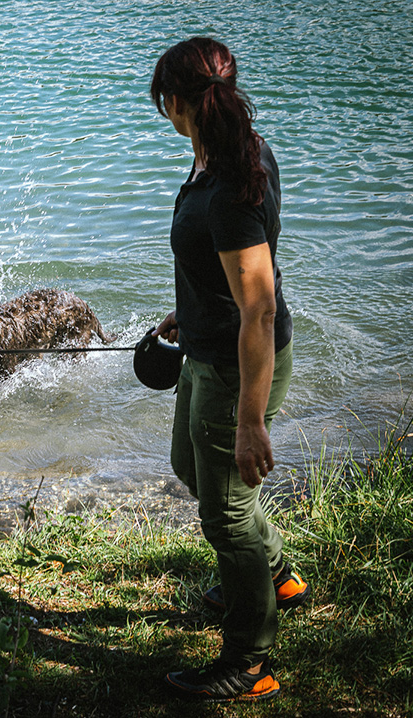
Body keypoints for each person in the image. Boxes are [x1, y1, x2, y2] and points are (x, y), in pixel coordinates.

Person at [148, 37, 309, 702]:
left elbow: (261, 310)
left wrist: (250, 420)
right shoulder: (226, 153)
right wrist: (190, 310)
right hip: (206, 348)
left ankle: (251, 661)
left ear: (178, 102)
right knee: (192, 469)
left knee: (227, 518)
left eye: (164, 101)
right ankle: (276, 578)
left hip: (236, 367)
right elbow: (232, 277)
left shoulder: (230, 187)